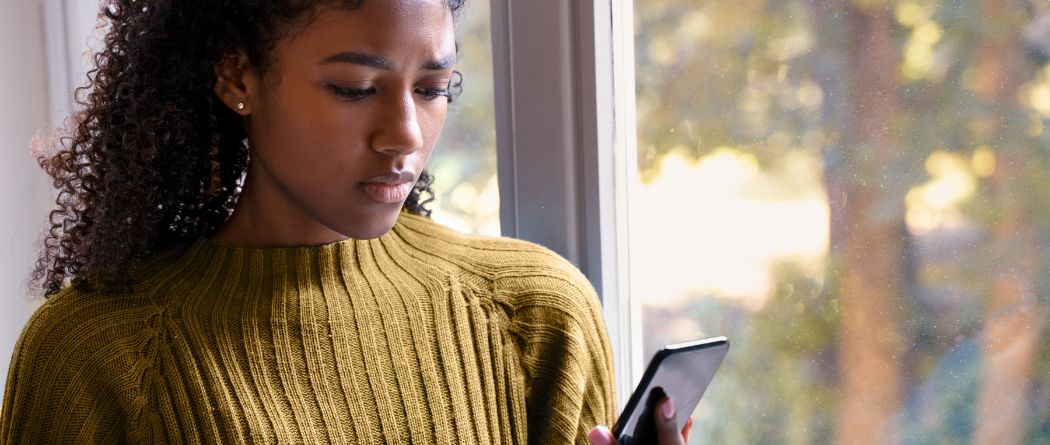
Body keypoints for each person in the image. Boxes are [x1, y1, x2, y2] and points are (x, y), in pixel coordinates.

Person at [0, 0, 690, 443]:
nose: (406, 135)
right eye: (355, 89)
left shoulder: (536, 317)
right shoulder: (98, 355)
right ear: (237, 75)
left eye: (432, 89)